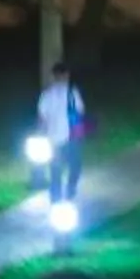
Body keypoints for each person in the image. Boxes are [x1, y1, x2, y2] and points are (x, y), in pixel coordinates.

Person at [36, 61, 87, 205]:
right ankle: (70, 191)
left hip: (53, 138)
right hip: (71, 136)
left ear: (54, 76)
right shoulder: (72, 93)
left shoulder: (46, 95)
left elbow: (41, 118)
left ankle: (56, 197)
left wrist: (41, 134)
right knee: (75, 166)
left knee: (55, 169)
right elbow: (79, 113)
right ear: (66, 75)